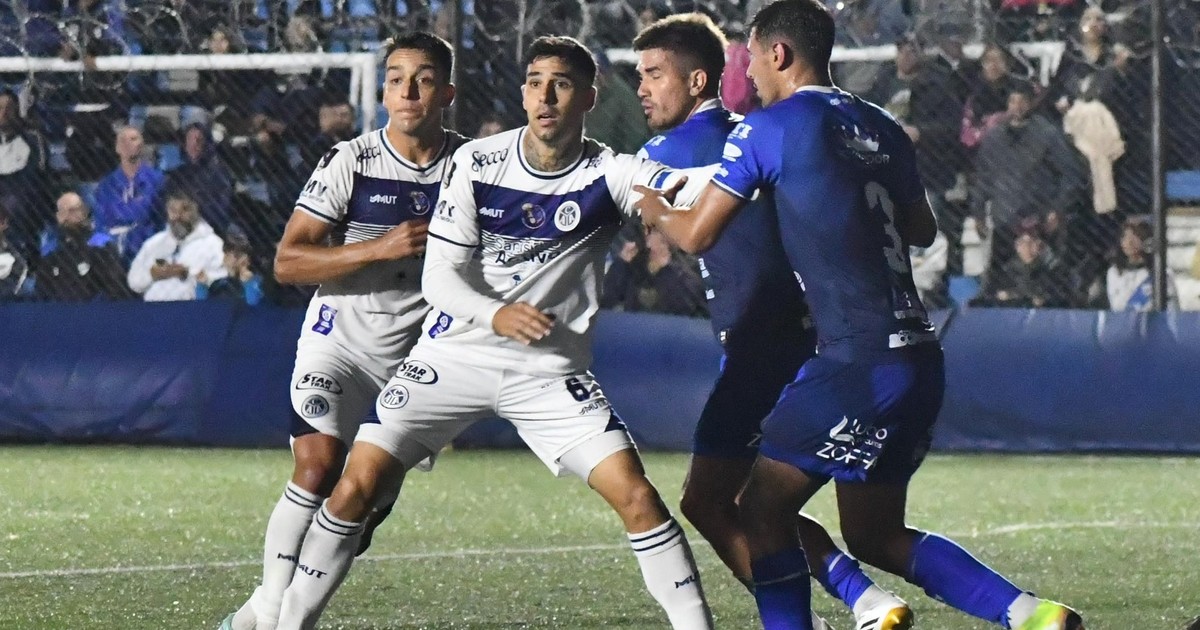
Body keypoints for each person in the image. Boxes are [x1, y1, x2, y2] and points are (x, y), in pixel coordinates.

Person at [634, 2, 1084, 629]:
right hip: (917, 354)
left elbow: (695, 235)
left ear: (779, 54)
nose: (750, 75)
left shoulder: (769, 128)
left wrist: (650, 202)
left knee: (759, 507)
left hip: (854, 360)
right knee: (874, 533)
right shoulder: (881, 123)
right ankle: (1032, 614)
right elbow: (922, 229)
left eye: (753, 59)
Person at [271, 35, 716, 630]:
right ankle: (283, 621)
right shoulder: (479, 162)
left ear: (588, 98)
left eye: (561, 85)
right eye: (535, 83)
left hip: (547, 372)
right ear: (523, 93)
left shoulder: (611, 172)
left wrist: (757, 163)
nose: (545, 97)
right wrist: (496, 314)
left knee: (637, 495)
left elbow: (694, 185)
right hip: (451, 358)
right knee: (355, 485)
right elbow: (440, 279)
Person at [632, 12, 911, 630]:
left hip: (758, 346)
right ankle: (867, 599)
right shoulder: (761, 134)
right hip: (810, 337)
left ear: (698, 80)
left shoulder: (664, 151)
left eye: (653, 74)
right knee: (754, 501)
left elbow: (651, 215)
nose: (642, 88)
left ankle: (851, 604)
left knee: (709, 501)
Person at [219, 31, 467, 630]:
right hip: (339, 343)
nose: (408, 92)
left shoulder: (473, 167)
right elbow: (288, 262)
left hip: (415, 365)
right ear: (383, 93)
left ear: (447, 93)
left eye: (423, 80)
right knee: (318, 465)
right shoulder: (350, 160)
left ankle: (251, 617)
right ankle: (276, 616)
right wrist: (378, 247)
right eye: (396, 79)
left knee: (360, 511)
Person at [126, 193, 226, 301]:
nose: (178, 216)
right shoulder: (153, 243)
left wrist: (188, 273)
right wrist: (152, 275)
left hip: (191, 307)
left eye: (185, 209)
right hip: (153, 308)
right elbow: (133, 282)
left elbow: (225, 276)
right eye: (173, 210)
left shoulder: (213, 243)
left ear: (196, 210)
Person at [35, 191, 131, 302]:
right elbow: (41, 293)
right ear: (58, 216)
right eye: (62, 211)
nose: (66, 217)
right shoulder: (51, 251)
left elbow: (115, 289)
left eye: (72, 211)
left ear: (83, 212)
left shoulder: (101, 244)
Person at [92, 125, 166, 262]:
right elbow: (100, 223)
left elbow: (161, 220)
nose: (127, 143)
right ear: (117, 148)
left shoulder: (157, 180)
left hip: (146, 249)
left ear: (141, 145)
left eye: (133, 139)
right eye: (123, 140)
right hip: (112, 252)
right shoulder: (106, 185)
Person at [1106, 217, 1176, 311]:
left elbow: (1172, 306)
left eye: (1135, 236)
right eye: (1125, 237)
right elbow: (1116, 305)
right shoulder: (1115, 272)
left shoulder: (1162, 273)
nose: (1129, 242)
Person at [196, 233, 267, 306]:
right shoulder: (219, 283)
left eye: (236, 255)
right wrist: (201, 286)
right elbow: (203, 307)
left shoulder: (258, 281)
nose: (225, 259)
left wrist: (248, 282)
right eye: (226, 253)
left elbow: (253, 305)